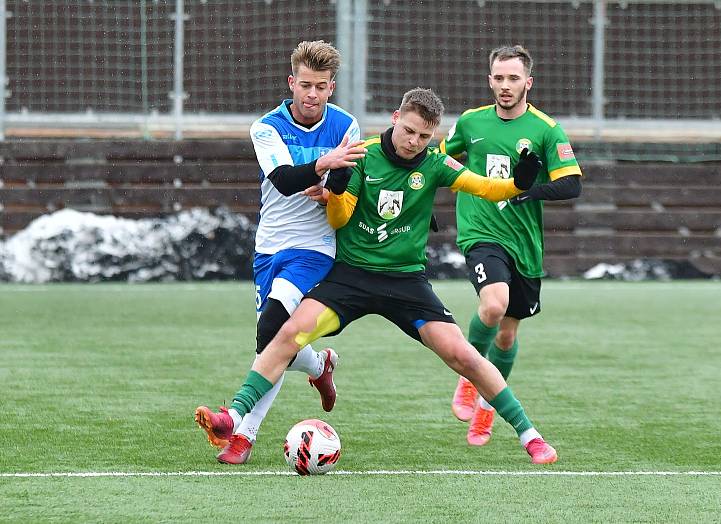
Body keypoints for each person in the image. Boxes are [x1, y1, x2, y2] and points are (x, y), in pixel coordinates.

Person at [195, 87, 558, 464]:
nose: (414, 142)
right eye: (409, 131)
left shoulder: (434, 164)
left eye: (424, 136)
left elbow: (483, 186)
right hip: (351, 278)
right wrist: (336, 194)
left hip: (405, 283)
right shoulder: (361, 155)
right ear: (395, 118)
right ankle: (233, 417)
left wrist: (519, 183)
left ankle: (530, 435)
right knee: (286, 333)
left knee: (462, 355)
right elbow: (338, 218)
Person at [194, 40, 366, 464]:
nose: (312, 94)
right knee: (275, 341)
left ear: (331, 87)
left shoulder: (346, 124)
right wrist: (326, 164)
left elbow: (346, 186)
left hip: (315, 248)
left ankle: (241, 432)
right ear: (292, 82)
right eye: (305, 85)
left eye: (321, 87)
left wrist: (330, 188)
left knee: (270, 329)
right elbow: (285, 180)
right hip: (269, 247)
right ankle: (317, 365)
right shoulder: (266, 127)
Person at [440, 45, 582, 446]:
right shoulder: (470, 123)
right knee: (493, 304)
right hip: (482, 234)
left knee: (506, 336)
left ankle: (487, 407)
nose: (505, 86)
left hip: (525, 245)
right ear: (490, 80)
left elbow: (572, 182)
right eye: (499, 78)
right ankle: (469, 377)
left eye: (513, 78)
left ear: (528, 82)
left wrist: (530, 189)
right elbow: (435, 160)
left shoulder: (545, 129)